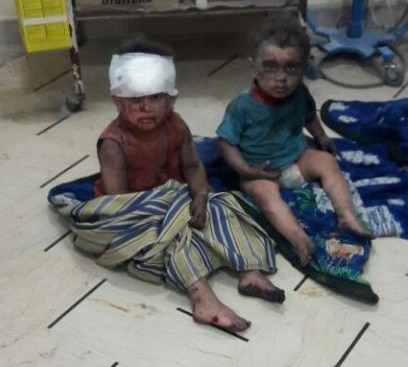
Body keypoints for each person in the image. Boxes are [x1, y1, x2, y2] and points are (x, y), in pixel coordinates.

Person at [93, 36, 284, 332]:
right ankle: (203, 298)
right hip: (142, 211)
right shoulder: (113, 144)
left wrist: (200, 196)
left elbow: (194, 166)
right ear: (118, 102)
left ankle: (250, 271)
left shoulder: (176, 125)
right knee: (177, 242)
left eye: (155, 98)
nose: (145, 108)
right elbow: (119, 205)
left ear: (172, 99)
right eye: (135, 100)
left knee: (227, 208)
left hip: (177, 197)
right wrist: (171, 216)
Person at [216, 17, 373, 267]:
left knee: (326, 161)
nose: (282, 78)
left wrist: (321, 137)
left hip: (296, 156)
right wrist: (245, 170)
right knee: (265, 196)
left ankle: (346, 216)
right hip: (259, 169)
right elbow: (225, 142)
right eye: (270, 67)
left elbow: (310, 115)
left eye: (291, 68)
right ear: (253, 67)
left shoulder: (299, 93)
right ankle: (299, 239)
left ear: (304, 67)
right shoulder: (242, 105)